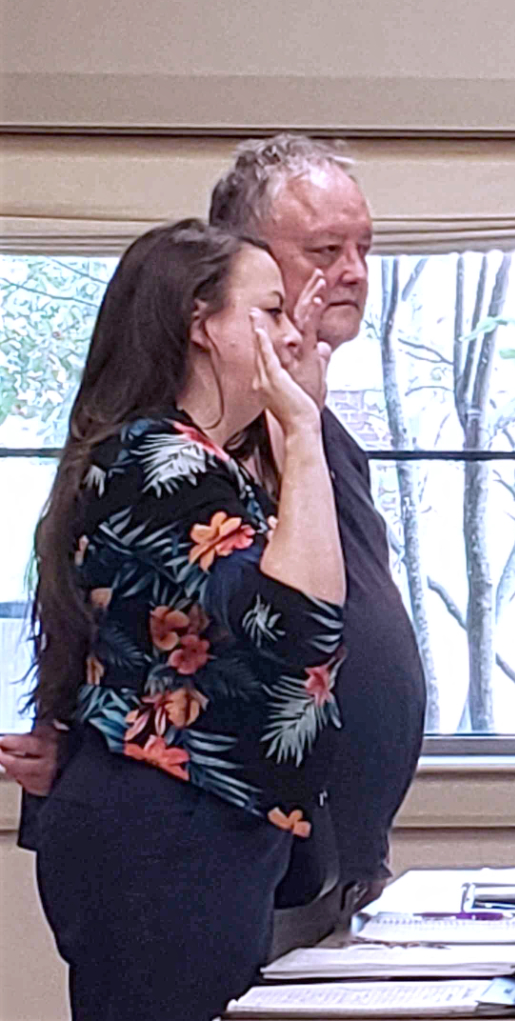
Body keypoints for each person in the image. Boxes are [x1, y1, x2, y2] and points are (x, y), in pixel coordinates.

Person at [5, 136, 427, 950]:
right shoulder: (180, 445)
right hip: (196, 828)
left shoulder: (318, 430)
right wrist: (84, 736)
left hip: (312, 845)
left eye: (364, 248)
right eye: (323, 251)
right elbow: (124, 609)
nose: (352, 272)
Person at [29, 220, 347, 1021]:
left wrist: (291, 432)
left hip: (198, 822)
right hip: (162, 830)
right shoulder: (158, 460)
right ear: (201, 324)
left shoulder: (204, 462)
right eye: (270, 312)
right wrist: (304, 432)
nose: (290, 333)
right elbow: (302, 628)